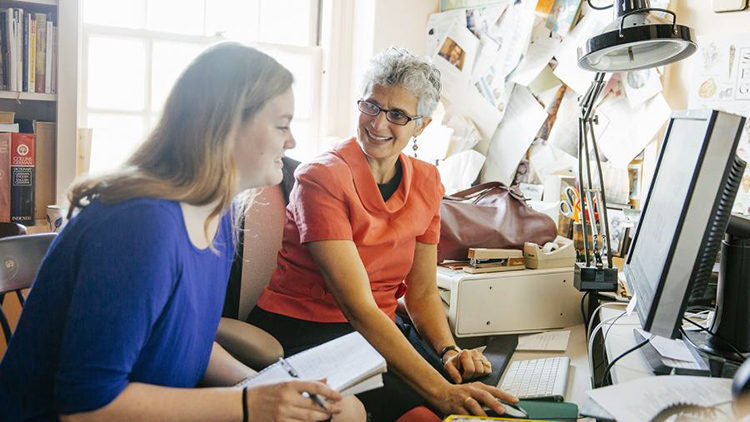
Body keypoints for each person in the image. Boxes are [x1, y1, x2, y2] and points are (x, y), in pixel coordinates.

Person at [0, 42, 364, 422]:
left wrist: (268, 387)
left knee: (345, 412)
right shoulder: (139, 228)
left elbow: (191, 341)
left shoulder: (219, 213)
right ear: (225, 127)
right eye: (281, 125)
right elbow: (86, 408)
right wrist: (250, 405)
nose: (291, 142)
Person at [247, 47, 517, 422]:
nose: (378, 124)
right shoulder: (321, 177)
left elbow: (421, 292)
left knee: (480, 406)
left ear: (420, 125)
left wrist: (449, 351)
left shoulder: (427, 181)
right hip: (308, 331)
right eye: (371, 106)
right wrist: (442, 391)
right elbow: (357, 308)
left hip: (378, 331)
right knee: (431, 413)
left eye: (397, 115)